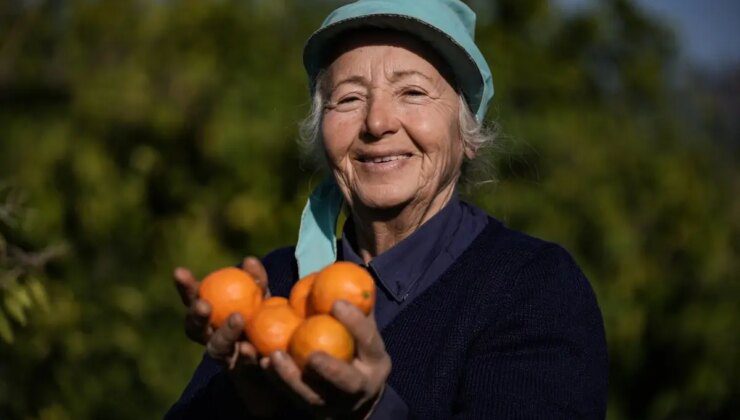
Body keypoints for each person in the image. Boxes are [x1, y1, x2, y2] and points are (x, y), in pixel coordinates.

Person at [167, 0, 608, 418]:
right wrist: (248, 403)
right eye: (349, 98)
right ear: (322, 135)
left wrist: (371, 412)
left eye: (412, 92)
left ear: (467, 133)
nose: (377, 123)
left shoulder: (533, 287)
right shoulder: (274, 288)